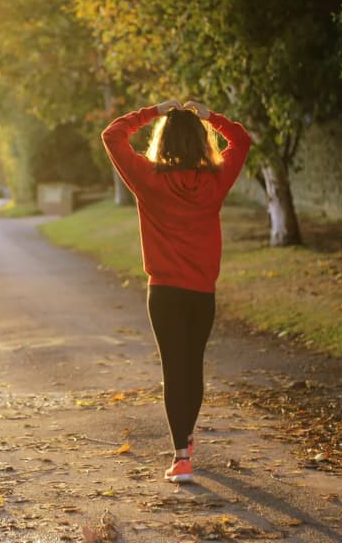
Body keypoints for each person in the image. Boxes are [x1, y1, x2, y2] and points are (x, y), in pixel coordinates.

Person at [101, 98, 252, 483]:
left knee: (174, 369)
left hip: (164, 292)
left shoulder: (148, 178)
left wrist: (153, 111)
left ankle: (181, 455)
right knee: (193, 366)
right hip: (201, 292)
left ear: (163, 141)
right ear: (202, 142)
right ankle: (185, 439)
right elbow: (242, 140)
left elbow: (113, 134)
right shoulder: (216, 180)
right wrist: (210, 117)